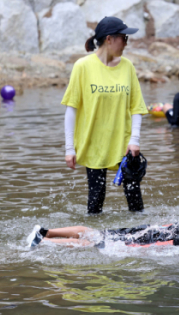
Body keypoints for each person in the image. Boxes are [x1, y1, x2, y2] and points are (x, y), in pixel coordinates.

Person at [61, 17, 148, 214]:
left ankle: (141, 235)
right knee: (96, 199)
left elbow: (137, 107)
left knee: (135, 199)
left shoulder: (127, 66)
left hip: (124, 143)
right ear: (109, 39)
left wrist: (134, 139)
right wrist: (69, 148)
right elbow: (71, 108)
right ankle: (94, 239)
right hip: (94, 143)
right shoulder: (82, 66)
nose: (126, 42)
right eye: (124, 38)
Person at [26, 179, 179, 248]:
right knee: (97, 239)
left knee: (100, 234)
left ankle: (45, 233)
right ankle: (45, 239)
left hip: (154, 230)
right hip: (150, 237)